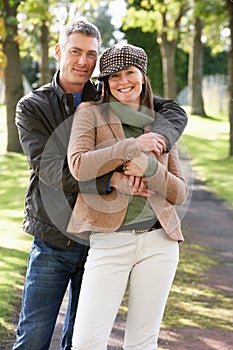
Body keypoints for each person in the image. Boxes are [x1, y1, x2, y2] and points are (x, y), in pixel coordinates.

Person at [13, 18, 188, 350]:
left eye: (91, 54)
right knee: (34, 333)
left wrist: (159, 140)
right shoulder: (33, 106)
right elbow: (53, 170)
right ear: (58, 51)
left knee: (79, 338)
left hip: (99, 234)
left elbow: (171, 111)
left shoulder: (110, 89)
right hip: (54, 235)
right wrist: (117, 179)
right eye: (76, 51)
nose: (83, 61)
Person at [67, 43, 189, 350]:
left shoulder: (160, 122)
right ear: (105, 83)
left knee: (142, 342)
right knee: (86, 343)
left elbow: (180, 192)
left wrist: (149, 167)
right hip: (109, 241)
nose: (123, 81)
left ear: (143, 76)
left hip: (159, 242)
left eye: (130, 73)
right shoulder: (90, 114)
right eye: (114, 76)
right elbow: (79, 165)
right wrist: (132, 148)